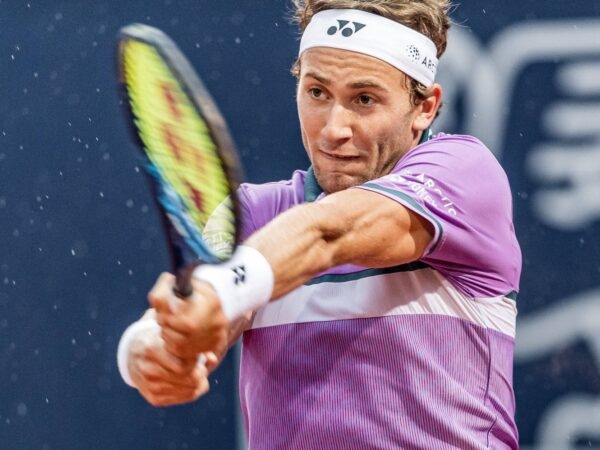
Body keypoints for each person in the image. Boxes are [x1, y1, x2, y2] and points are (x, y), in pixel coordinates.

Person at [117, 1, 522, 448]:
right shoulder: (250, 213)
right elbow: (183, 323)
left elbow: (329, 232)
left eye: (363, 99)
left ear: (425, 107)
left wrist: (222, 289)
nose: (333, 129)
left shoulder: (464, 175)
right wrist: (154, 351)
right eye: (317, 93)